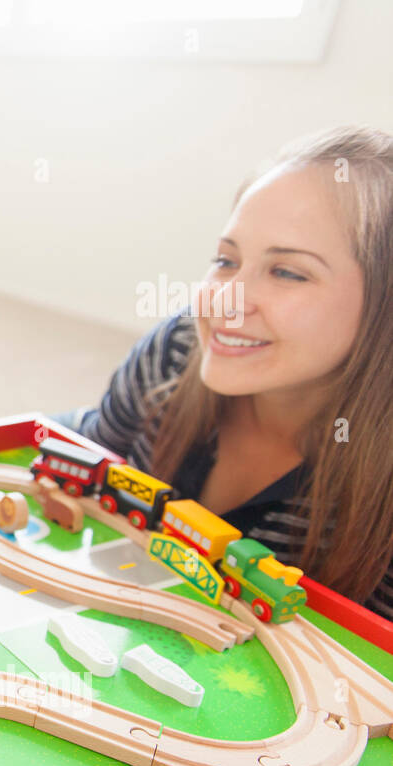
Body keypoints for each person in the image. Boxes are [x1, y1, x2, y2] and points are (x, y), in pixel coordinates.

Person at [65, 125, 393, 617]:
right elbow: (91, 450)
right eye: (226, 260)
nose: (223, 299)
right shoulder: (175, 349)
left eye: (287, 272)